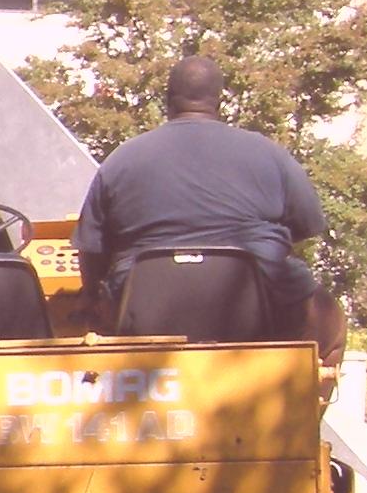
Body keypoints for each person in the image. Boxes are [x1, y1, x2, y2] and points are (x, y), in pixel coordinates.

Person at [75, 53, 345, 357]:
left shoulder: (120, 160)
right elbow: (307, 226)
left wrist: (92, 299)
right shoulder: (271, 154)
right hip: (261, 302)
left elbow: (90, 249)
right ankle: (300, 399)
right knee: (330, 321)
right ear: (219, 101)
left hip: (141, 311)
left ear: (168, 101)